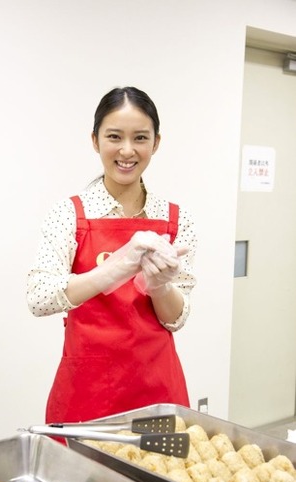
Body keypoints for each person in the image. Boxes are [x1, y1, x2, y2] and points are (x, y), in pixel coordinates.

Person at [27, 86, 197, 425]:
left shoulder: (177, 219)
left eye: (140, 138)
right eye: (114, 136)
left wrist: (160, 287)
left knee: (158, 477)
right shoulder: (70, 214)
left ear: (156, 143)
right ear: (95, 140)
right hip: (87, 391)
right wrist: (118, 266)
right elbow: (38, 299)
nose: (127, 150)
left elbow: (176, 320)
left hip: (157, 389)